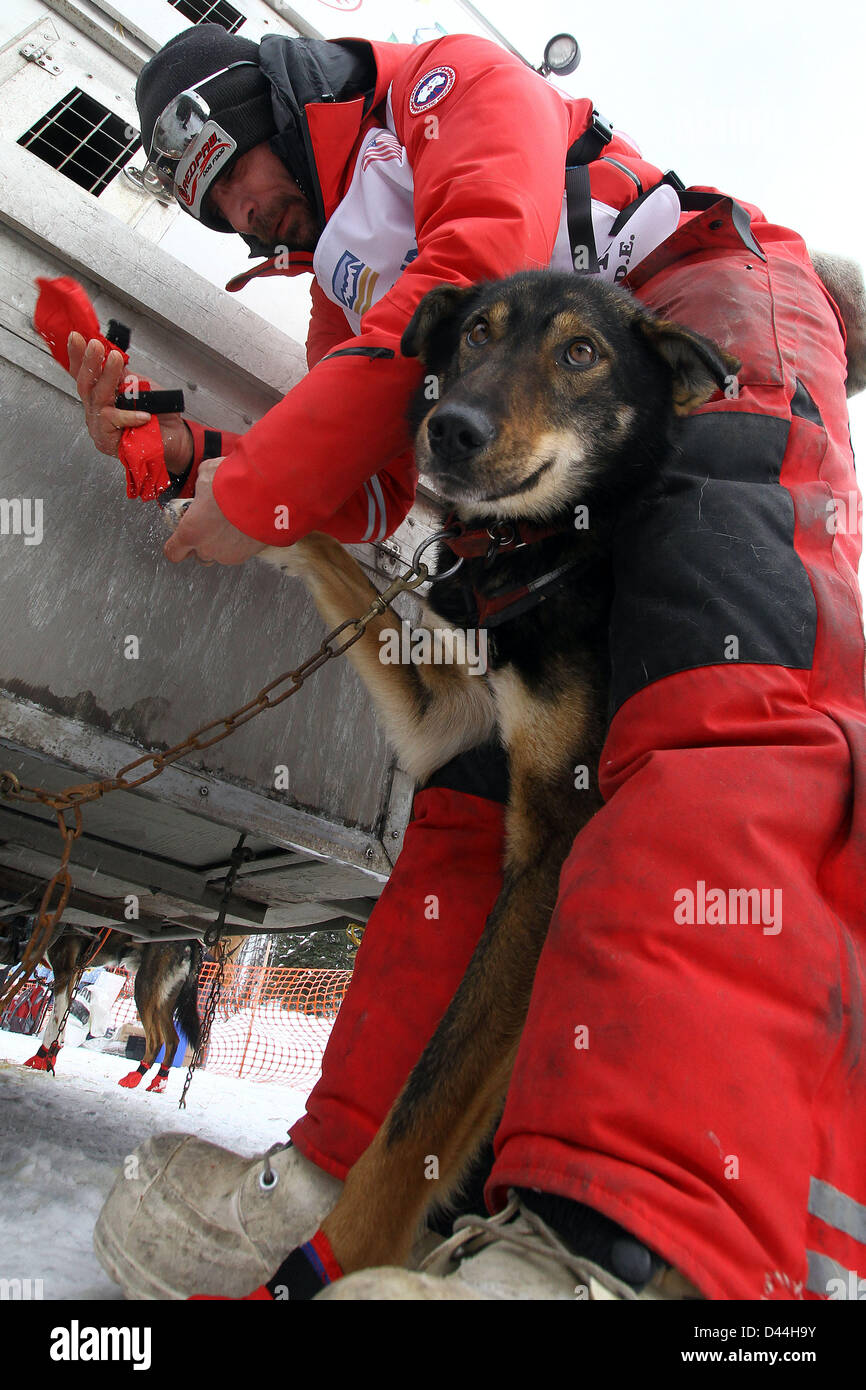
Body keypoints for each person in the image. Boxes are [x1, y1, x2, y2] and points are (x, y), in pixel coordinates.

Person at [78, 24, 866, 1301]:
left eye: (228, 162)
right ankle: (356, 1189)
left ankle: (628, 1241)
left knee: (722, 693)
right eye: (204, 200)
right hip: (531, 432)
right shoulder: (350, 287)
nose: (235, 207)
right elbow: (378, 476)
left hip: (702, 301)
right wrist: (199, 462)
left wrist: (267, 481)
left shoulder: (441, 84)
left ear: (271, 95)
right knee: (475, 786)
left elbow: (483, 243)